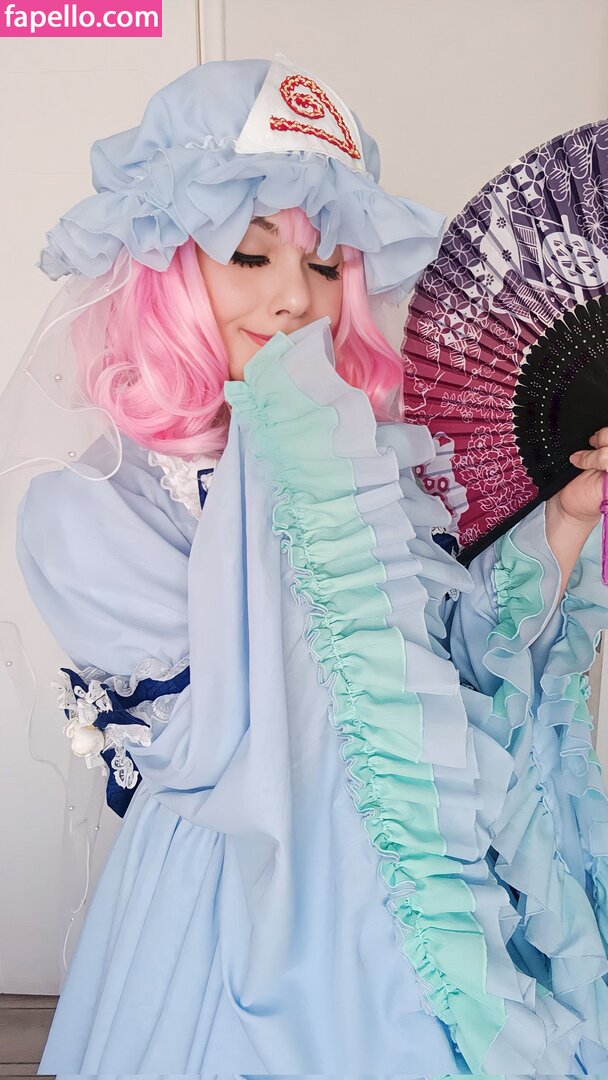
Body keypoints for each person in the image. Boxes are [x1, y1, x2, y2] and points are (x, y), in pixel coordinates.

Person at [9, 58, 608, 1075]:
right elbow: (253, 751)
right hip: (234, 925)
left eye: (328, 267)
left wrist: (559, 525)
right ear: (164, 270)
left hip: (421, 908)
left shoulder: (368, 475)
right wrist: (288, 452)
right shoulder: (89, 512)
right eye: (250, 254)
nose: (294, 299)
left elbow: (448, 690)